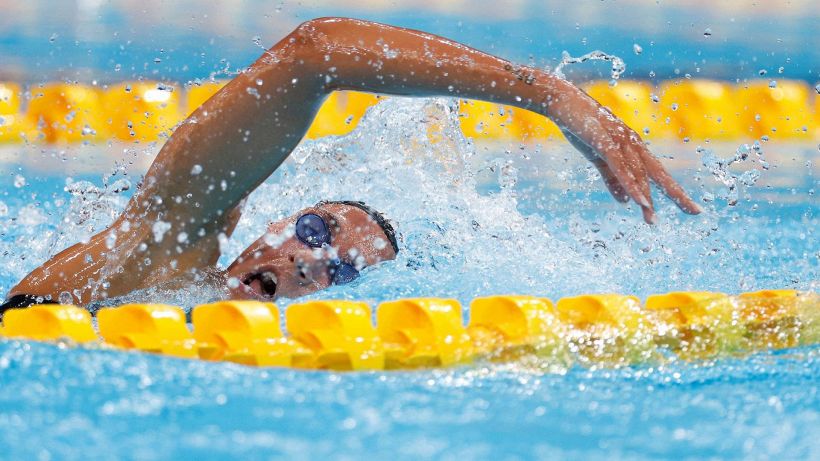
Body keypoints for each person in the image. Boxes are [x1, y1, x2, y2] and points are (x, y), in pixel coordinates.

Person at [1, 17, 700, 312]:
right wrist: (546, 93)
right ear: (265, 222)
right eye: (311, 231)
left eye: (338, 269)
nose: (310, 261)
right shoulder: (172, 246)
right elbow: (315, 51)